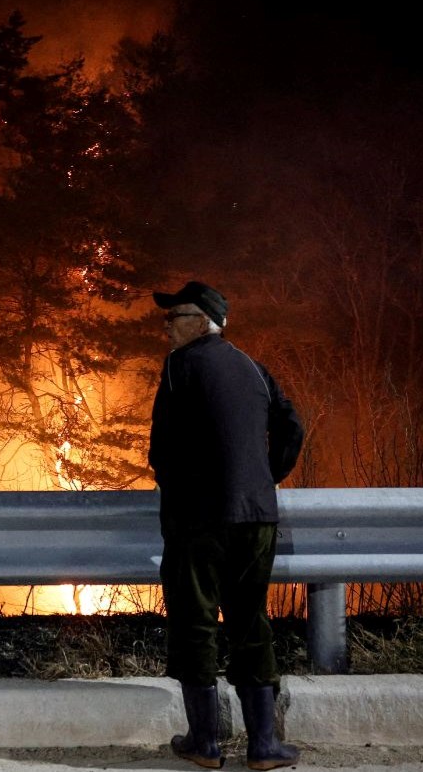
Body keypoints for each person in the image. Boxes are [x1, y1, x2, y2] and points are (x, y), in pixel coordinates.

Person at [148, 280, 305, 771]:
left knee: (195, 623)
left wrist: (181, 486)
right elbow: (292, 426)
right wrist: (265, 476)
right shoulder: (255, 369)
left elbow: (160, 449)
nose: (167, 327)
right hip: (256, 517)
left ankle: (205, 743)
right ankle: (263, 746)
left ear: (201, 320)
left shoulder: (179, 367)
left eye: (173, 317)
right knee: (250, 621)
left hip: (200, 519)